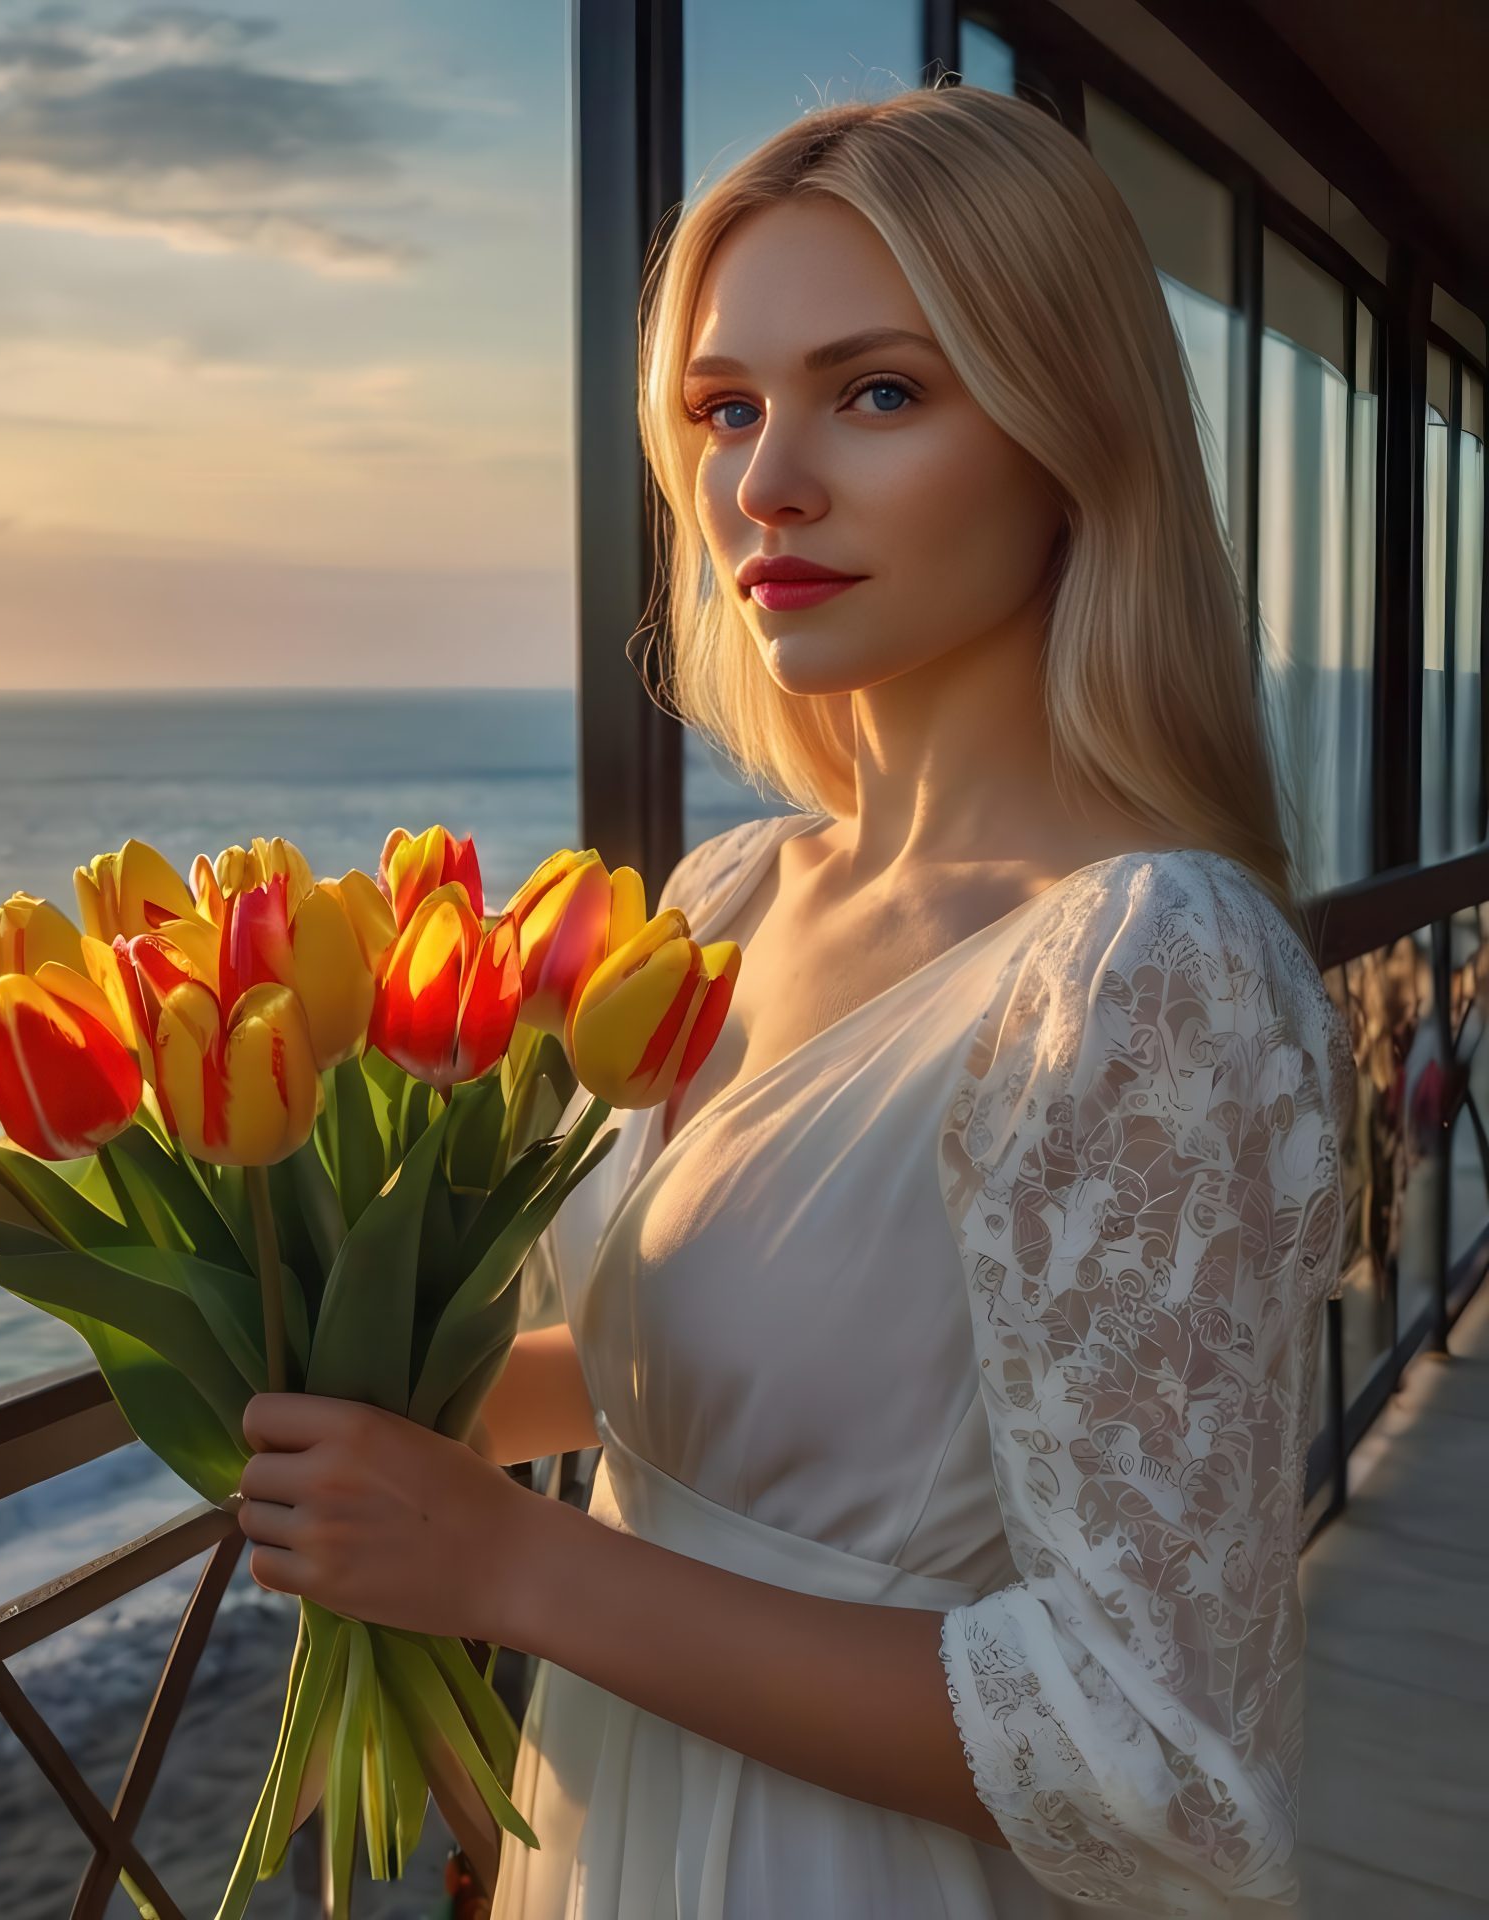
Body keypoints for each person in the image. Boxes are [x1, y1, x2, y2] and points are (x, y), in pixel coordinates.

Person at [234, 82, 1355, 1917]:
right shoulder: (728, 900)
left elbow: (1162, 1765)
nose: (766, 485)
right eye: (726, 409)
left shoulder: (1146, 969)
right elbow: (741, 1372)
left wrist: (508, 1568)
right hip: (617, 1826)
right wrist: (389, 1396)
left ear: (1073, 433)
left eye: (880, 392)